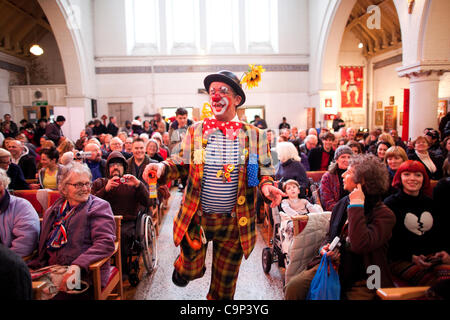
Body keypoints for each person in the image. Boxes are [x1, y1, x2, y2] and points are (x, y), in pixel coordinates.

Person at [142, 70, 284, 300]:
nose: (216, 96)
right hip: (198, 217)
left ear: (237, 99)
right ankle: (186, 268)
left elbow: (260, 172)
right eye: (212, 92)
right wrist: (161, 168)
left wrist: (267, 187)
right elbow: (182, 162)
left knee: (224, 291)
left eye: (223, 91)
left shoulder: (255, 136)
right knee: (191, 269)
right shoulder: (196, 131)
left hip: (235, 223)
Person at [285, 154, 396, 300]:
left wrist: (356, 205)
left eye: (349, 172)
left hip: (366, 276)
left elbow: (359, 244)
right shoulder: (343, 203)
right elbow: (330, 236)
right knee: (294, 287)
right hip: (336, 266)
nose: (343, 174)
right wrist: (324, 249)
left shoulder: (384, 215)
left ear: (362, 180)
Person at [28, 162, 116, 299]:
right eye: (79, 185)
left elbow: (105, 242)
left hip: (85, 272)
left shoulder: (99, 207)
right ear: (64, 188)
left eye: (88, 183)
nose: (85, 188)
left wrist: (78, 265)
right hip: (52, 269)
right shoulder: (54, 210)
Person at [384, 160, 449, 288]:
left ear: (424, 178)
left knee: (446, 278)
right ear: (399, 178)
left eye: (418, 175)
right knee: (437, 284)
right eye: (407, 174)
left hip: (431, 257)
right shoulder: (390, 204)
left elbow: (441, 232)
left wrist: (444, 252)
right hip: (400, 259)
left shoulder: (431, 203)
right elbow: (388, 242)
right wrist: (411, 257)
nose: (412, 179)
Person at [91, 151, 151, 279]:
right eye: (112, 165)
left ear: (124, 167)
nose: (115, 167)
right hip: (103, 223)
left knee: (122, 235)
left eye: (119, 164)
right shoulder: (100, 183)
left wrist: (139, 185)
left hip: (127, 223)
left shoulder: (132, 183)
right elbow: (90, 204)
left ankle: (122, 270)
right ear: (108, 169)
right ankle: (96, 272)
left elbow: (148, 202)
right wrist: (105, 190)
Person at [0, 169, 40, 258]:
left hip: (11, 262)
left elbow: (25, 243)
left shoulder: (21, 206)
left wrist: (4, 261)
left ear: (4, 186)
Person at [279, 180, 323, 254]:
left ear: (298, 191)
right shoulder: (285, 201)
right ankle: (294, 246)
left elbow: (311, 208)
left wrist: (318, 214)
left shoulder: (304, 201)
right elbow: (287, 209)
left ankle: (313, 244)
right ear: (286, 193)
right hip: (293, 218)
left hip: (305, 217)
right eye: (289, 188)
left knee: (314, 223)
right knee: (292, 226)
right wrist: (296, 215)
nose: (292, 189)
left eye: (294, 187)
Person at [319, 145, 353, 212]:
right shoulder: (327, 177)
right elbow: (327, 202)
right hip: (336, 212)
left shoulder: (356, 175)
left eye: (349, 157)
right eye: (343, 157)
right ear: (337, 159)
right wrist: (344, 210)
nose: (347, 160)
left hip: (354, 209)